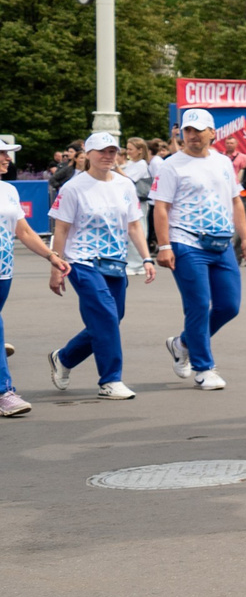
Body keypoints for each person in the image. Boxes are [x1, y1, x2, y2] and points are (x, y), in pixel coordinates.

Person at [44, 132, 158, 401]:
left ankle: (65, 357)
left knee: (111, 318)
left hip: (114, 261)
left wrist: (146, 258)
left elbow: (133, 225)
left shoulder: (124, 184)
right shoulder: (73, 187)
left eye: (112, 151)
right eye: (101, 151)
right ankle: (110, 380)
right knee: (106, 316)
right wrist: (55, 265)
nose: (108, 156)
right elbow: (61, 229)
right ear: (89, 155)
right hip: (81, 261)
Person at [150, 107, 246, 391]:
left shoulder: (222, 162)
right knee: (197, 305)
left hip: (221, 243)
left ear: (212, 133)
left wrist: (244, 238)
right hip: (186, 241)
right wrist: (165, 245)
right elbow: (161, 207)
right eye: (188, 131)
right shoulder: (172, 165)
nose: (192, 136)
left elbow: (235, 201)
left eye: (198, 131)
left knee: (229, 306)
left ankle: (183, 342)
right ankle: (203, 368)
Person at [0, 134, 63, 417]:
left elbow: (23, 231)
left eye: (8, 154)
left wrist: (51, 255)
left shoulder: (8, 191)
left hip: (4, 272)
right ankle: (4, 393)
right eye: (1, 154)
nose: (7, 159)